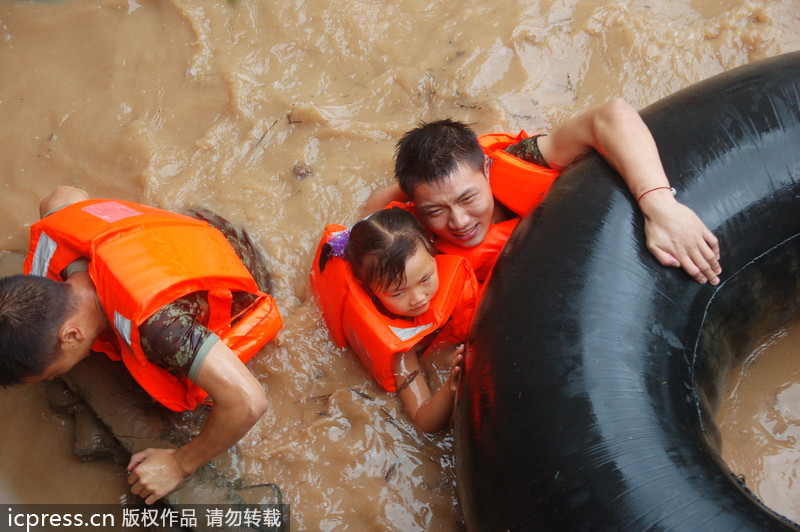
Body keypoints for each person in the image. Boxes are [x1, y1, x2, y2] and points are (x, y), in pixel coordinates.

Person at [0, 185, 283, 504]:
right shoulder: (60, 233)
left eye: (50, 372)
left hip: (238, 267)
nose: (54, 378)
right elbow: (59, 196)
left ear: (72, 336)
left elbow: (248, 402)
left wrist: (178, 464)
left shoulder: (157, 328)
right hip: (193, 229)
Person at [365, 99, 722, 285]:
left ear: (487, 171)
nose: (459, 221)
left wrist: (660, 204)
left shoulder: (521, 160)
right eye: (435, 210)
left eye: (468, 198)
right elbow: (372, 214)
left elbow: (612, 115)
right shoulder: (410, 231)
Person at [310, 207, 478, 433]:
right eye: (398, 293)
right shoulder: (402, 353)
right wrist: (450, 387)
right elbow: (424, 421)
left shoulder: (441, 266)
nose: (418, 298)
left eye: (425, 278)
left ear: (433, 248)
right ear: (369, 290)